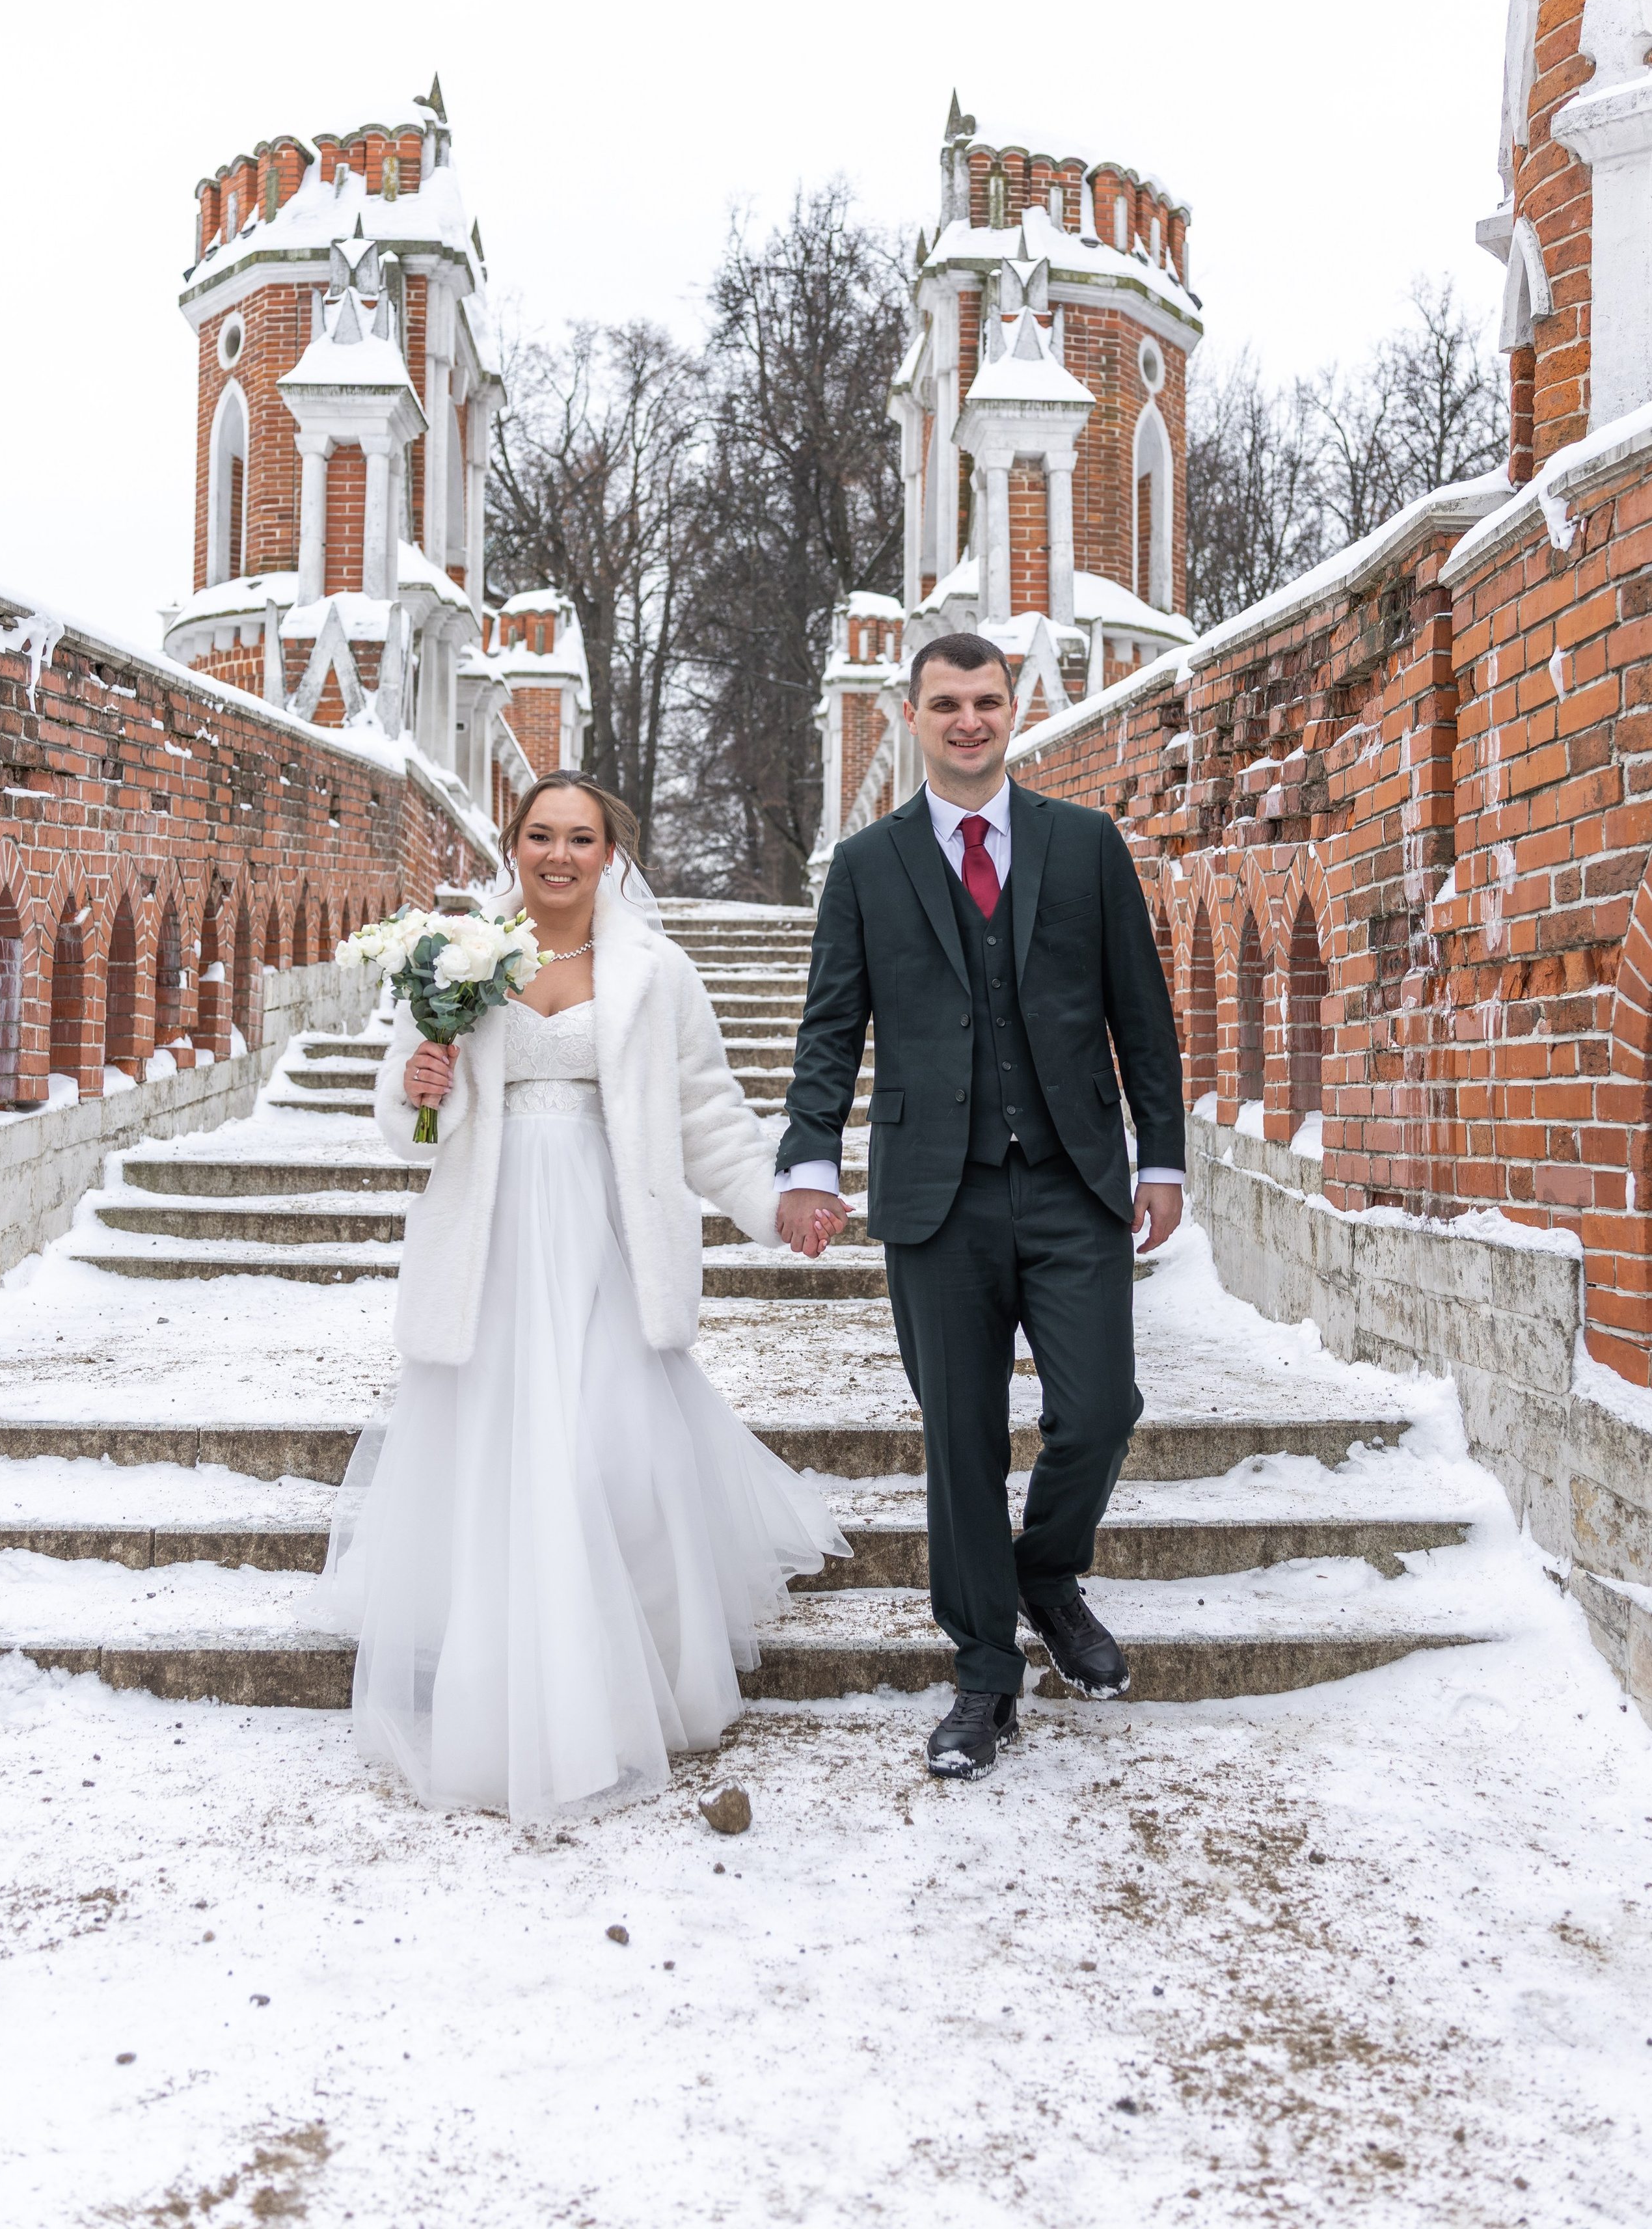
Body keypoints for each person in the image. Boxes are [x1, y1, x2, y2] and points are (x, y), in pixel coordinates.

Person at [308, 769, 845, 1824]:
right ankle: (509, 1698)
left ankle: (630, 1673)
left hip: (607, 1239)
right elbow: (404, 1120)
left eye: (582, 839)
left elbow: (708, 1115)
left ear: (612, 853)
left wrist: (773, 1204)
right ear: (514, 845)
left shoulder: (657, 972)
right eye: (542, 836)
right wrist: (421, 1087)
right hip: (494, 1243)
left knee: (617, 1453)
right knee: (503, 1467)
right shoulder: (456, 960)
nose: (559, 856)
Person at [776, 632, 1184, 1779]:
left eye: (987, 701)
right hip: (933, 1192)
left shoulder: (1085, 844)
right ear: (911, 716)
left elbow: (1140, 1016)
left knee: (1100, 1408)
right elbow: (829, 1032)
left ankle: (1046, 1572)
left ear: (1017, 711)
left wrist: (1164, 1157)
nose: (969, 721)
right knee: (959, 1440)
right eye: (946, 703)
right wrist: (810, 1159)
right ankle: (982, 1675)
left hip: (1073, 1178)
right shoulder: (866, 865)